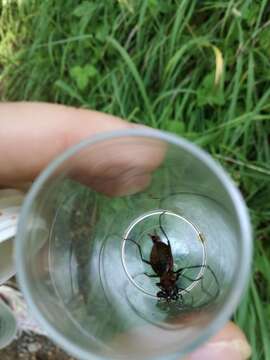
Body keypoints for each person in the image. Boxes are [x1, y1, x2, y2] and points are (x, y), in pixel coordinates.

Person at [0, 102, 251, 359]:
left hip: (161, 261)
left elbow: (167, 276)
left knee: (158, 255)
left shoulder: (165, 277)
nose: (170, 289)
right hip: (162, 260)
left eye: (168, 290)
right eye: (170, 290)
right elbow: (169, 275)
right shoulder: (168, 276)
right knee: (159, 254)